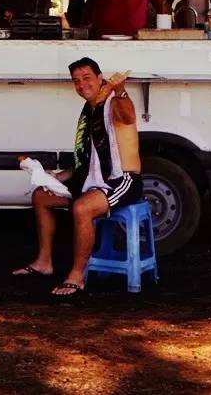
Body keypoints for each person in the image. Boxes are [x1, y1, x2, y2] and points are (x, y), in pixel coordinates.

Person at [11, 57, 143, 297]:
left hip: (121, 181)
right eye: (76, 81)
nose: (82, 85)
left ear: (100, 77)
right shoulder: (89, 110)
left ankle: (77, 275)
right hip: (91, 182)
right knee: (41, 196)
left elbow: (129, 117)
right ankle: (44, 262)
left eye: (87, 78)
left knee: (82, 208)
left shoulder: (113, 101)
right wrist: (55, 177)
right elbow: (87, 161)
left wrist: (121, 90)